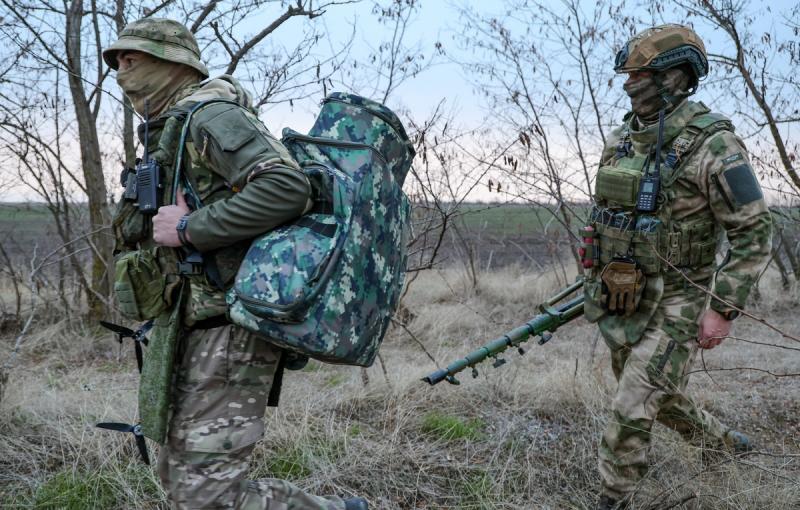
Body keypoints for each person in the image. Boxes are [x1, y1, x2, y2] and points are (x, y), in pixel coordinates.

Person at [103, 18, 368, 510]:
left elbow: (287, 188)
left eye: (134, 54)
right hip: (191, 323)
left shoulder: (211, 116)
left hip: (229, 325)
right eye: (117, 58)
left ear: (176, 62)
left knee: (207, 494)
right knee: (180, 476)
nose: (122, 65)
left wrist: (188, 229)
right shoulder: (172, 128)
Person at [583, 24, 772, 509]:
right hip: (626, 295)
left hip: (681, 301)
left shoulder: (715, 145)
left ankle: (612, 499)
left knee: (632, 404)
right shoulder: (625, 138)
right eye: (629, 74)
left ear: (673, 77)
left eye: (641, 74)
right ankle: (722, 445)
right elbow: (606, 214)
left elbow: (754, 232)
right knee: (656, 393)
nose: (630, 83)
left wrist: (722, 309)